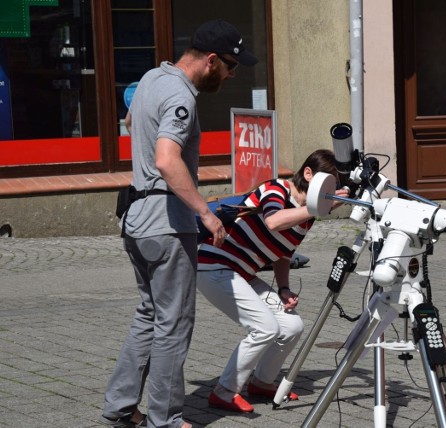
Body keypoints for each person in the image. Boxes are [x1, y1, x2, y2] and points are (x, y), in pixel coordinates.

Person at [101, 20, 257, 428]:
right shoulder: (180, 96)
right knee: (173, 324)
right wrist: (205, 213)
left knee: (149, 315)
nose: (232, 74)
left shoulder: (154, 77)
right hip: (167, 225)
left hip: (136, 220)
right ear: (210, 61)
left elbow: (134, 124)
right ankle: (165, 419)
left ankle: (120, 406)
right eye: (230, 66)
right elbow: (167, 159)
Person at [196, 149, 349, 413]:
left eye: (333, 187)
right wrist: (315, 208)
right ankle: (224, 391)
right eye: (327, 184)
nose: (330, 192)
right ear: (308, 174)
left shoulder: (305, 216)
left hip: (242, 273)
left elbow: (283, 254)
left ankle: (261, 382)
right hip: (213, 266)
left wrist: (284, 288)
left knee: (291, 326)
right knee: (265, 327)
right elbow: (274, 222)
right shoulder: (276, 189)